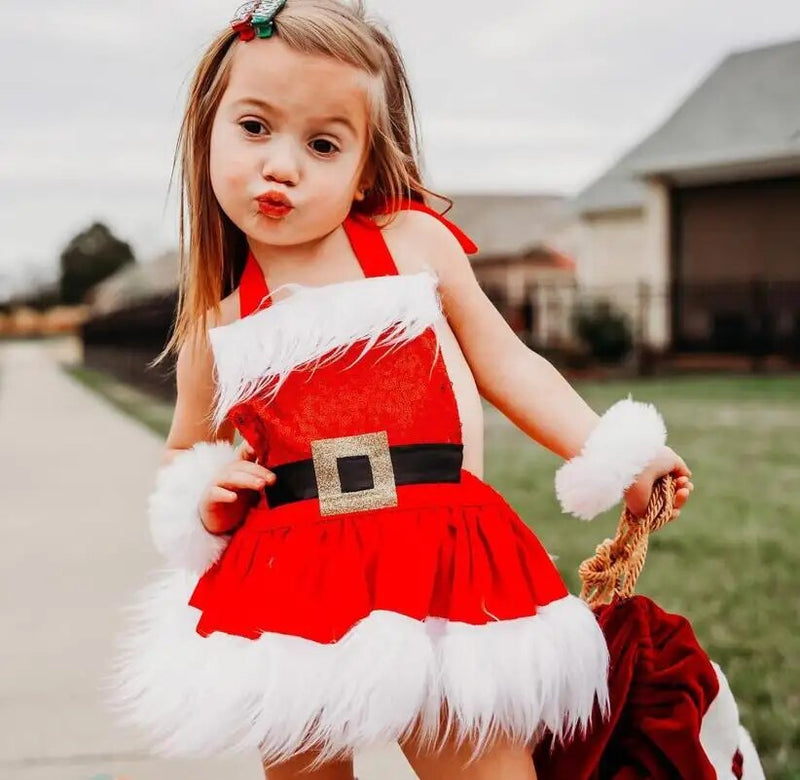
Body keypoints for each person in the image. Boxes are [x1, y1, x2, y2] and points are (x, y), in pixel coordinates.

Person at [101, 1, 695, 778]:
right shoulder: (219, 327)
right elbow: (187, 451)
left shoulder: (409, 246)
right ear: (207, 130)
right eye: (254, 128)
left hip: (435, 555)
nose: (282, 164)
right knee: (306, 767)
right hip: (290, 576)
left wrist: (622, 452)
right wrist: (207, 494)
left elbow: (508, 364)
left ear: (363, 172)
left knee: (483, 766)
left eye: (322, 144)